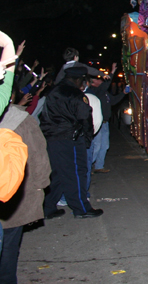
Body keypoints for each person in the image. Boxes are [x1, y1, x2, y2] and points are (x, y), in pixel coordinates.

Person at [40, 67, 103, 219]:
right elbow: (85, 118)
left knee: (58, 173)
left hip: (52, 138)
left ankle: (48, 207)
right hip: (70, 139)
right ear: (78, 79)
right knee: (76, 173)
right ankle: (81, 208)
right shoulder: (75, 95)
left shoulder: (54, 91)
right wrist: (87, 140)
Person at [0, 103, 50, 283]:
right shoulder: (21, 120)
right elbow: (37, 156)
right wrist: (41, 185)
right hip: (9, 195)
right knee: (7, 247)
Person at [86, 67, 125, 174]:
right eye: (98, 79)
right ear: (92, 82)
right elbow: (105, 86)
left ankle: (98, 166)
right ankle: (88, 167)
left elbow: (113, 101)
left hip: (105, 123)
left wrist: (123, 93)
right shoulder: (96, 91)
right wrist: (111, 73)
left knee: (104, 145)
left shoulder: (104, 93)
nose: (101, 80)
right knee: (96, 145)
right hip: (98, 123)